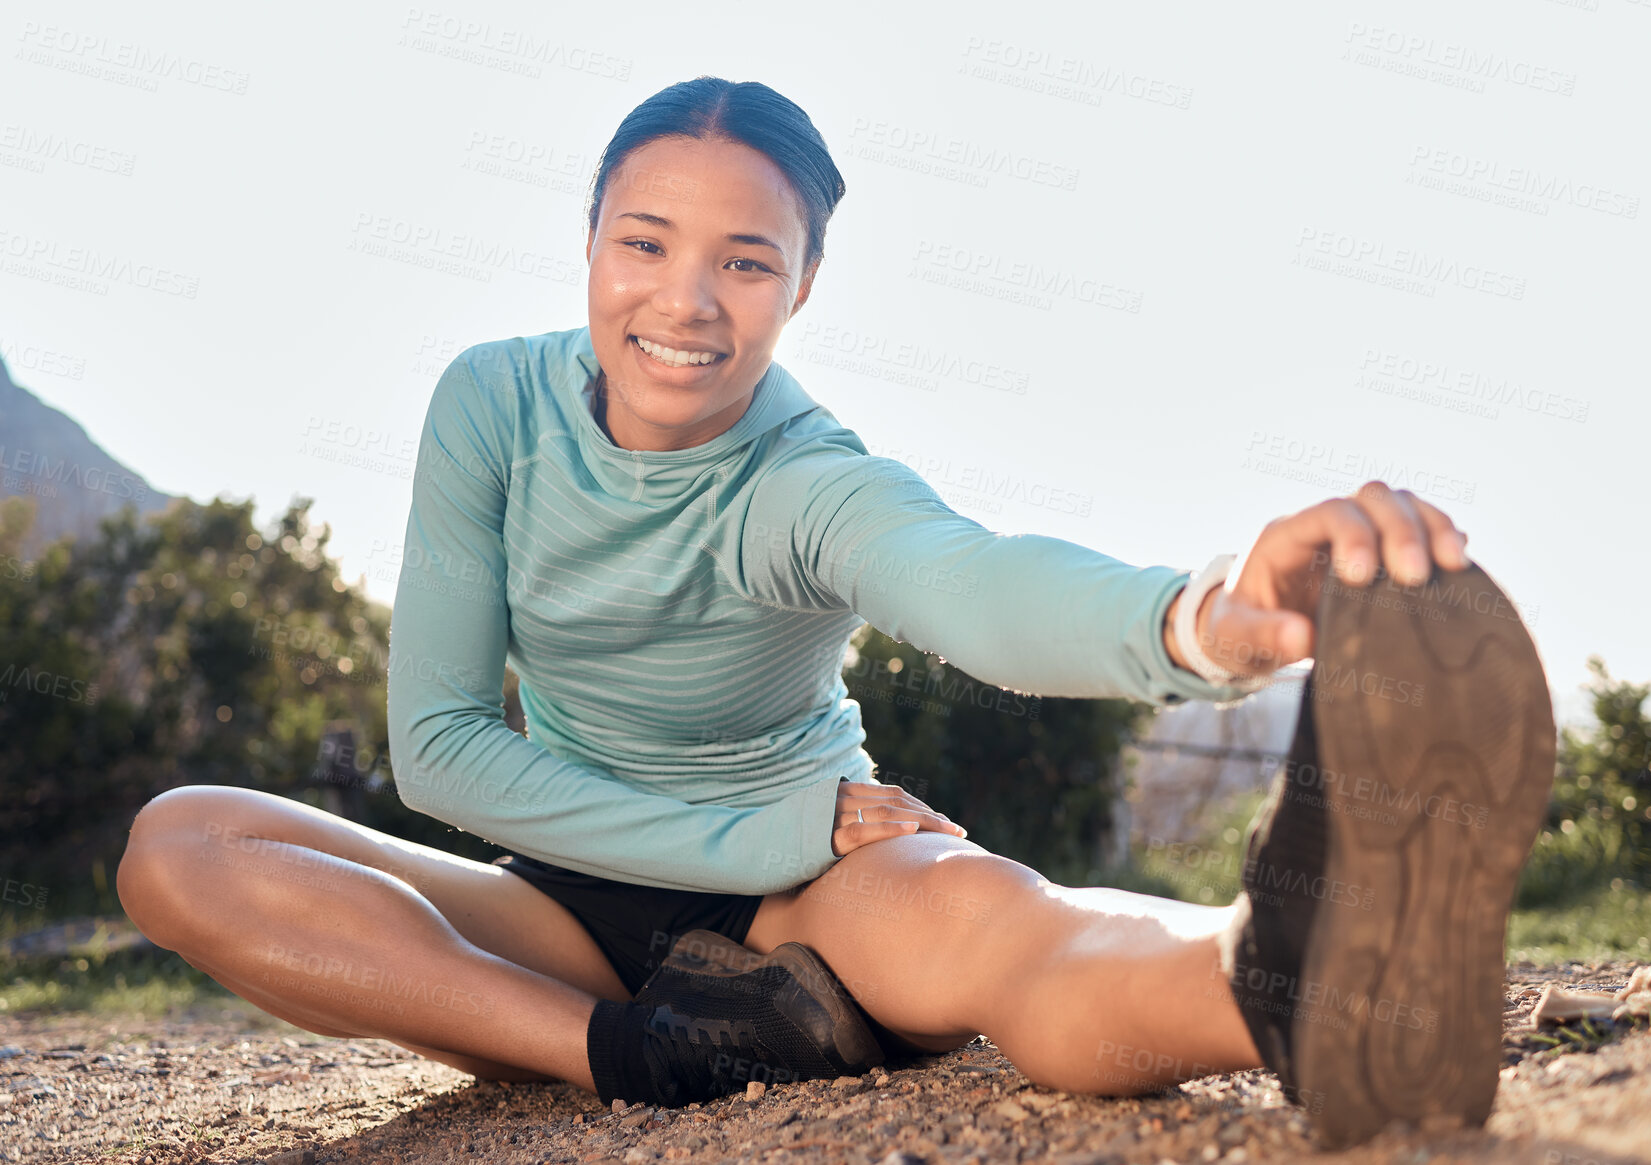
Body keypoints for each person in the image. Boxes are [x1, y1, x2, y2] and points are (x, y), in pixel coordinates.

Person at [116, 76, 1555, 1148]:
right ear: (591, 243)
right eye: (646, 243)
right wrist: (703, 914)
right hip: (564, 897)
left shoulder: (809, 480)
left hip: (809, 893)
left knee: (1007, 928)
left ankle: (1290, 980)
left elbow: (979, 583)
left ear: (804, 285)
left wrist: (1212, 616)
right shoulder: (490, 404)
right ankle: (641, 1053)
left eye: (746, 260)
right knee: (182, 844)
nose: (686, 301)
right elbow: (436, 748)